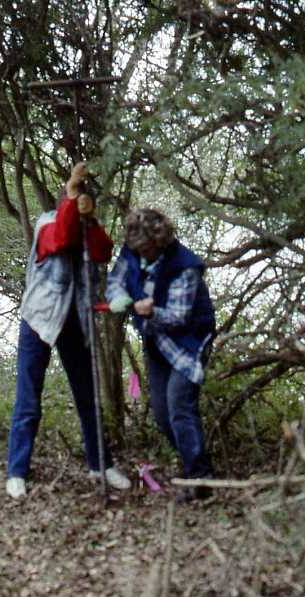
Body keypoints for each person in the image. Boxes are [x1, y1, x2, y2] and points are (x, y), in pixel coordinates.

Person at [6, 163, 132, 499]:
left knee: (88, 397)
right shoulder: (47, 223)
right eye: (74, 197)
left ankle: (100, 463)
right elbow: (62, 239)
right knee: (29, 400)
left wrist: (87, 217)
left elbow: (103, 251)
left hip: (76, 320)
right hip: (39, 320)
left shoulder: (88, 228)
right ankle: (16, 471)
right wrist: (71, 196)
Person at [106, 208, 216, 503]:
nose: (141, 253)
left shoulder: (185, 267)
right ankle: (193, 464)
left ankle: (200, 478)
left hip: (188, 342)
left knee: (180, 406)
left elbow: (179, 317)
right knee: (162, 414)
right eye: (136, 248)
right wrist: (118, 297)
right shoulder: (131, 251)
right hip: (156, 342)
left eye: (146, 248)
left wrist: (150, 310)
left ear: (160, 241)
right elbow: (116, 279)